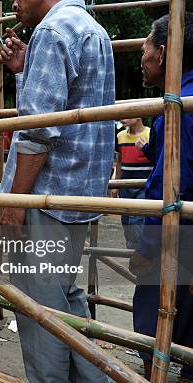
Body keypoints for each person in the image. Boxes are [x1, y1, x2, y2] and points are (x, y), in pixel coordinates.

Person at [0, 0, 115, 380]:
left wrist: (15, 203)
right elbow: (64, 105)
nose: (14, 3)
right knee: (62, 296)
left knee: (38, 313)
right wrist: (24, 70)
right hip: (76, 195)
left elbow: (37, 131)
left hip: (45, 196)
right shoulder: (91, 29)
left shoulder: (51, 31)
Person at [128, 13, 193, 381]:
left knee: (157, 334)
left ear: (163, 51)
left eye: (146, 46)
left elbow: (169, 186)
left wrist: (147, 246)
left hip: (179, 242)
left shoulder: (178, 109)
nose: (143, 55)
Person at [111, 118, 152, 249]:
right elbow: (119, 162)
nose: (122, 118)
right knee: (126, 218)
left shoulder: (150, 134)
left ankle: (137, 250)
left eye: (127, 115)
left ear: (138, 116)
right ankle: (132, 248)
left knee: (137, 218)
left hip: (144, 185)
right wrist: (116, 185)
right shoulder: (120, 136)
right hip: (126, 185)